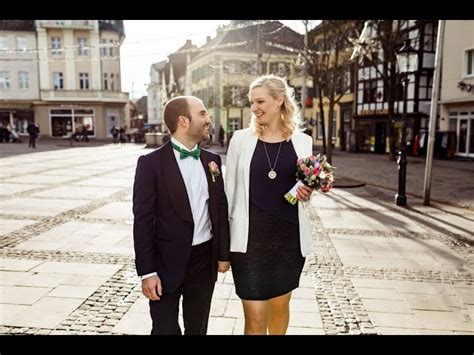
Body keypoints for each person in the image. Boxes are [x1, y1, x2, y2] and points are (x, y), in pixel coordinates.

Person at [133, 95, 231, 335]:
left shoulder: (212, 161)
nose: (208, 120)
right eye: (202, 114)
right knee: (164, 329)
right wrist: (147, 272)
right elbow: (143, 221)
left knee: (197, 329)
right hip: (164, 262)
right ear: (183, 121)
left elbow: (220, 208)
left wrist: (223, 254)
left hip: (203, 260)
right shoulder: (150, 164)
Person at [225, 74, 314, 335]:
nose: (254, 108)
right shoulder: (241, 140)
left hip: (287, 239)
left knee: (279, 308)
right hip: (248, 242)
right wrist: (222, 246)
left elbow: (303, 190)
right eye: (252, 102)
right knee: (254, 318)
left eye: (260, 101)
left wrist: (307, 192)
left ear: (279, 101)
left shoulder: (303, 142)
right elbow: (229, 194)